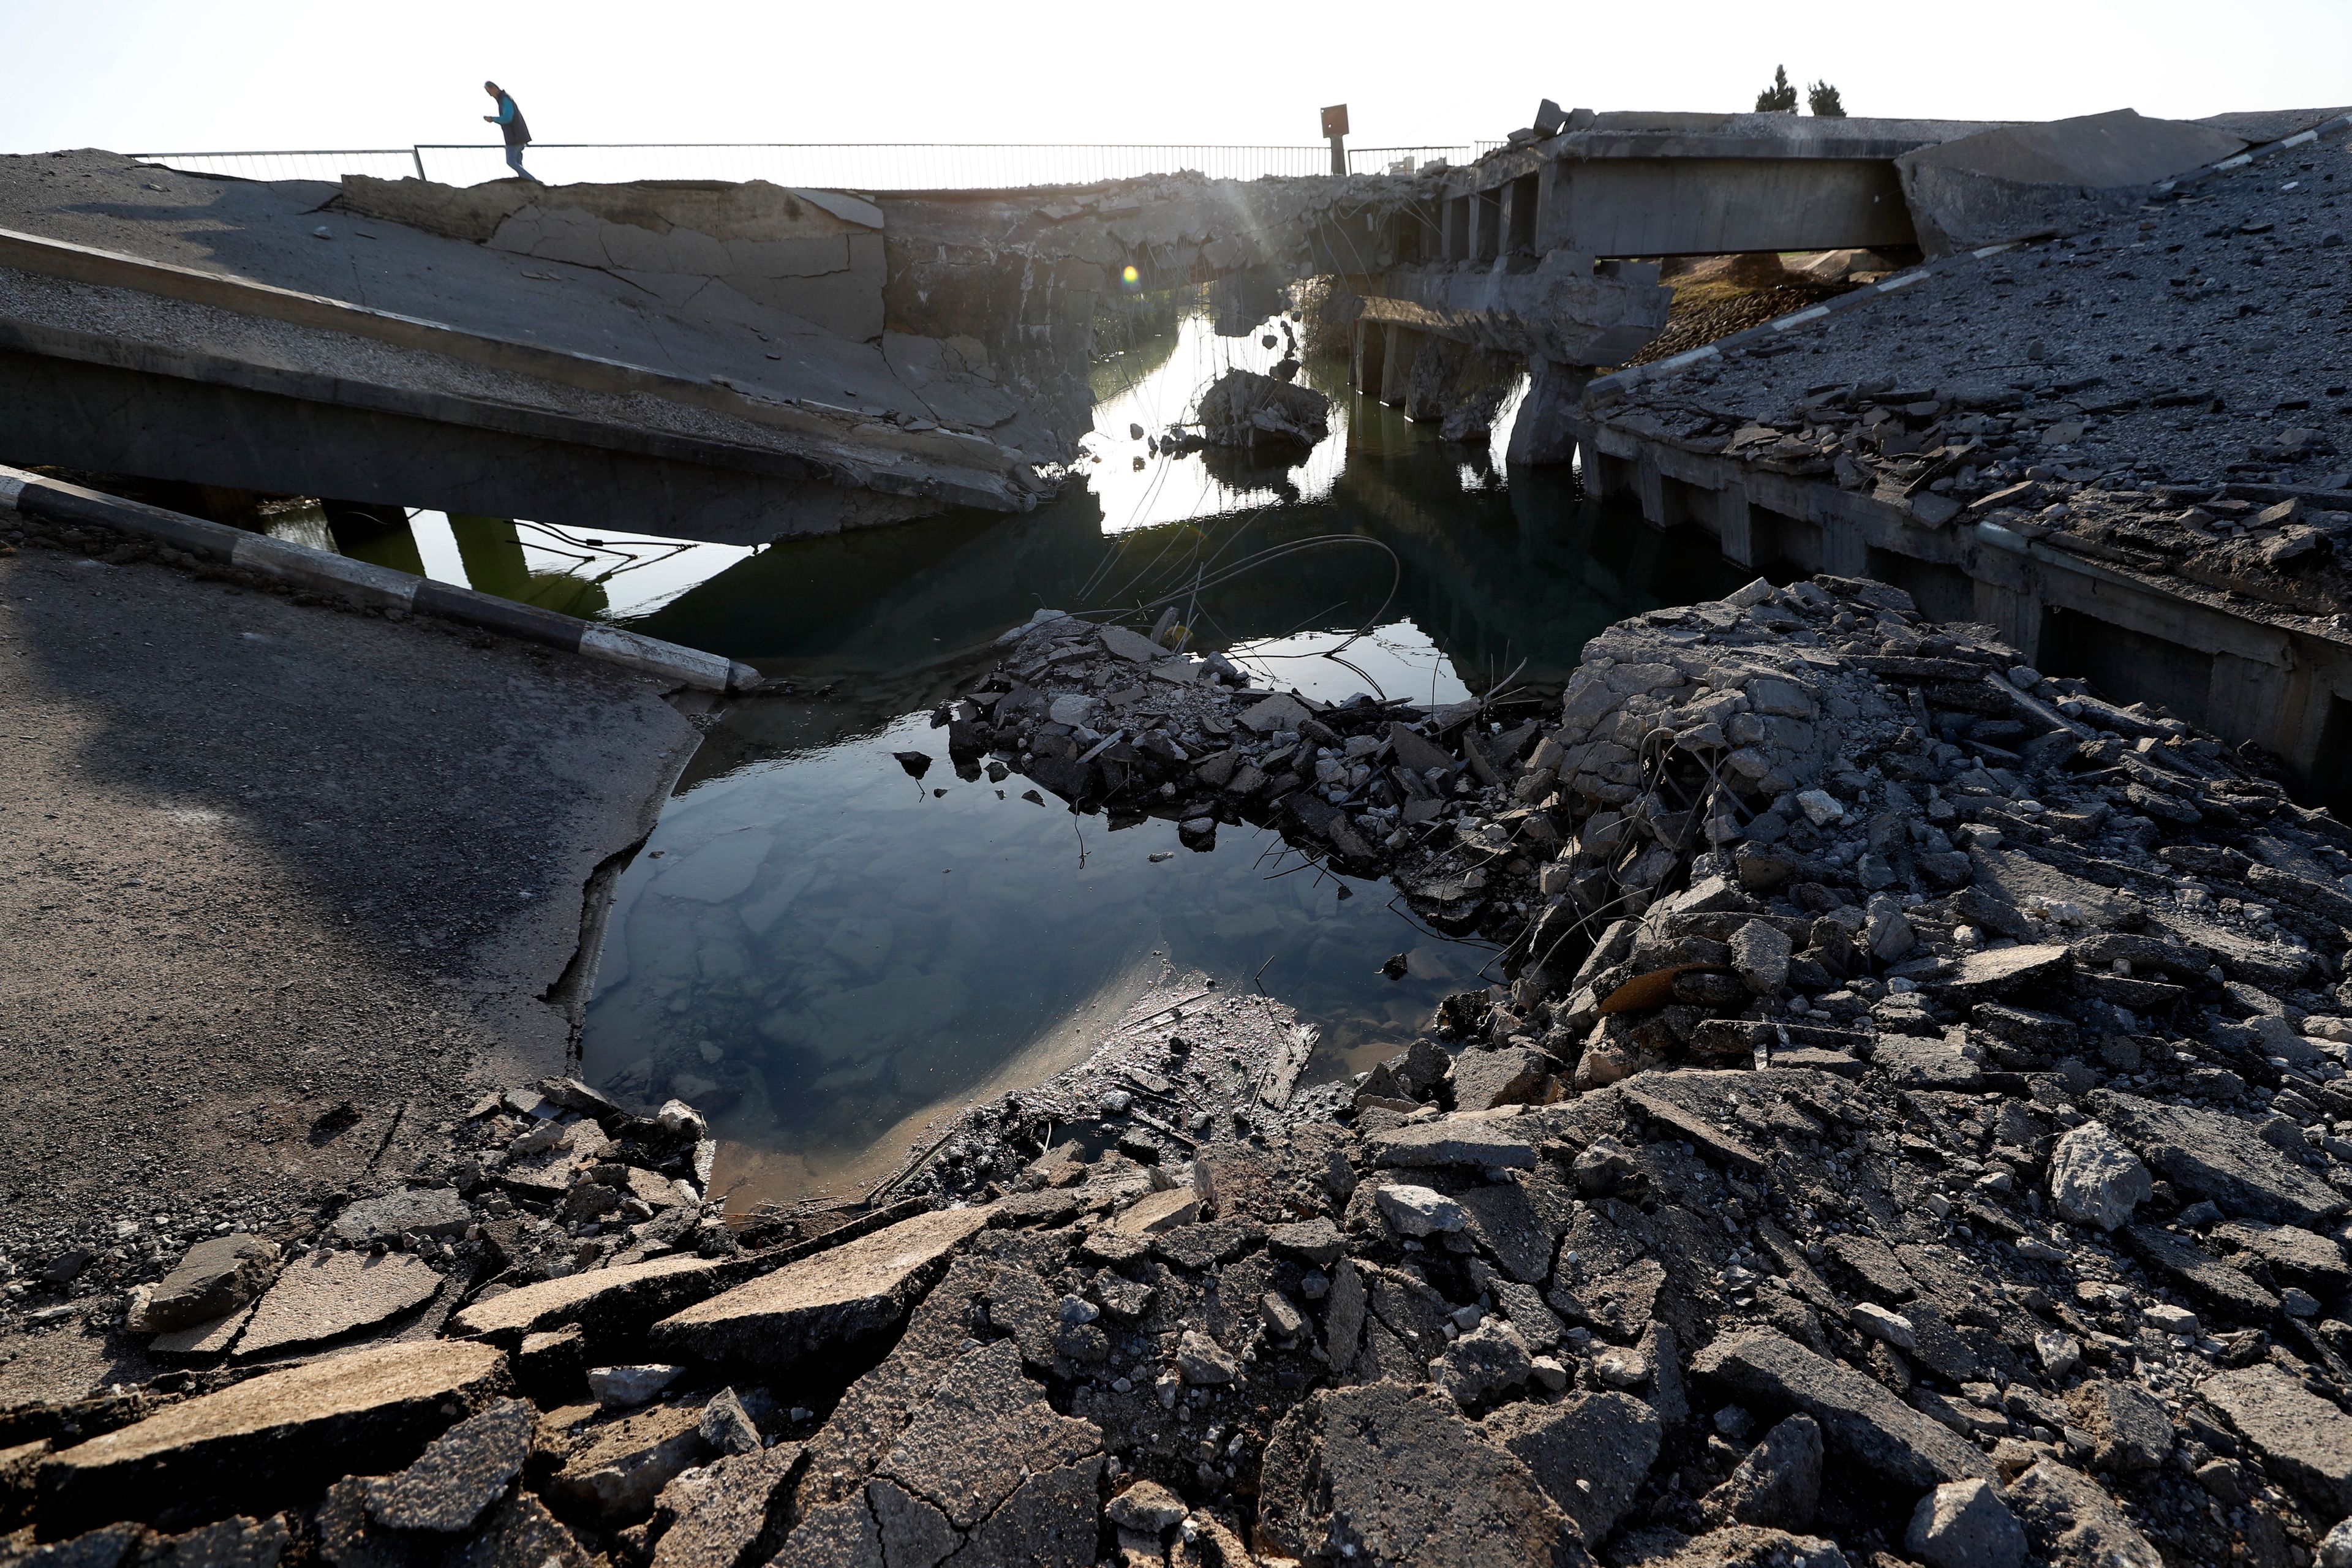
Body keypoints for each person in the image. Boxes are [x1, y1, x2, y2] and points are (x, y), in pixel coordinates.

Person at [482, 81, 536, 182]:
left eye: (489, 91)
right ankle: (527, 183)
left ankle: (534, 182)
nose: (490, 95)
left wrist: (493, 119)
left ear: (493, 88)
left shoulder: (505, 99)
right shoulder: (504, 99)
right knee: (518, 163)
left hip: (515, 137)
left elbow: (507, 118)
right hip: (519, 136)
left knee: (511, 161)